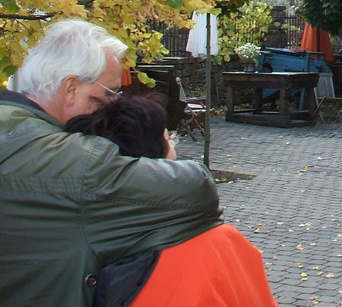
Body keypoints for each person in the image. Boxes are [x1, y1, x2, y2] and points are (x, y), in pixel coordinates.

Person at [0, 19, 222, 307]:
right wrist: (165, 157)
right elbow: (197, 190)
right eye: (107, 95)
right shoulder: (76, 162)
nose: (112, 107)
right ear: (70, 87)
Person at [65, 95, 277, 307]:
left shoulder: (62, 231)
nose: (173, 144)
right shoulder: (218, 243)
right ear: (156, 158)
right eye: (169, 137)